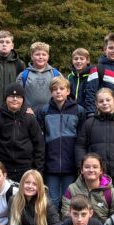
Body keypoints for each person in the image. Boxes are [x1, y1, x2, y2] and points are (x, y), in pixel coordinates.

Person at [75, 87, 114, 197]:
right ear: (96, 104)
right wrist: (83, 168)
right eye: (101, 101)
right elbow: (80, 146)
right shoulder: (89, 123)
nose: (105, 103)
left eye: (108, 100)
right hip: (95, 177)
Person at [37, 76, 85, 209]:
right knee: (51, 200)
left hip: (70, 164)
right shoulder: (44, 111)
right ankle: (53, 222)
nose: (58, 91)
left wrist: (79, 163)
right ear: (51, 92)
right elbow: (39, 138)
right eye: (54, 89)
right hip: (50, 164)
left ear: (68, 91)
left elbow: (82, 139)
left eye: (62, 89)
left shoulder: (79, 110)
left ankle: (67, 222)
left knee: (68, 200)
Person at [0, 82, 45, 180]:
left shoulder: (30, 118)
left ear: (23, 100)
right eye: (11, 96)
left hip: (26, 168)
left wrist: (37, 170)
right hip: (3, 169)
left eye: (18, 97)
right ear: (6, 98)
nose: (15, 99)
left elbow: (39, 145)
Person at [61, 153, 114, 221]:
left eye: (95, 167)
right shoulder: (72, 189)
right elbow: (66, 214)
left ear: (101, 170)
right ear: (82, 170)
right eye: (87, 167)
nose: (91, 170)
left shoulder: (110, 193)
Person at [19, 41, 62, 113]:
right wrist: (25, 109)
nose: (41, 57)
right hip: (29, 114)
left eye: (44, 54)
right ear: (32, 56)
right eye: (37, 54)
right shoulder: (24, 75)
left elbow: (63, 95)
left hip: (51, 114)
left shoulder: (56, 74)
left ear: (48, 56)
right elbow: (18, 96)